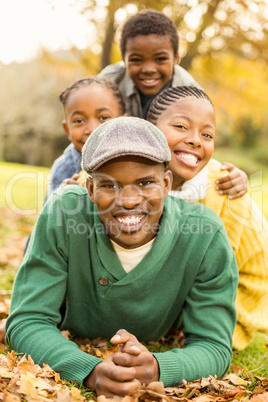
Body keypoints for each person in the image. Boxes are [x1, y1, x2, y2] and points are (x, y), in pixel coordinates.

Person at [6, 117, 238, 397]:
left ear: (166, 183)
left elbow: (214, 345)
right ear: (89, 189)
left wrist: (156, 367)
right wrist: (90, 370)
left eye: (145, 182)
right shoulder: (63, 215)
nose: (129, 199)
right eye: (109, 185)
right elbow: (28, 320)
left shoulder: (205, 234)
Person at [145, 86, 268, 350]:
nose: (195, 140)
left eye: (207, 134)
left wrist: (222, 327)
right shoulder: (119, 172)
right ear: (149, 128)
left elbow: (258, 270)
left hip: (195, 311)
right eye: (181, 126)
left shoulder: (227, 193)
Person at [98, 9, 247, 199]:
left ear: (176, 59)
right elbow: (85, 130)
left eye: (160, 59)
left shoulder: (192, 95)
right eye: (136, 60)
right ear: (124, 58)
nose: (149, 69)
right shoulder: (107, 85)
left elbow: (196, 145)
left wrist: (230, 174)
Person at [47, 77, 126, 198]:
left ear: (124, 122)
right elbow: (49, 215)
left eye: (103, 118)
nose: (92, 130)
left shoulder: (138, 160)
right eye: (79, 120)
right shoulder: (63, 169)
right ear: (67, 130)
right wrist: (62, 198)